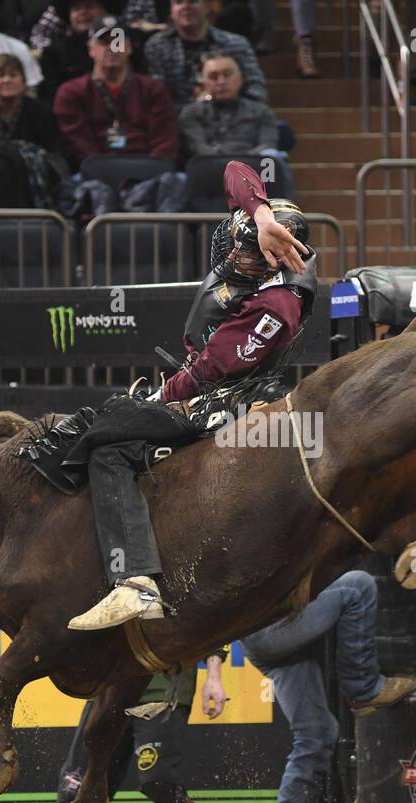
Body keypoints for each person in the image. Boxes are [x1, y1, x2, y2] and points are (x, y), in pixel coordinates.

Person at [67, 160, 312, 630]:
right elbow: (234, 170)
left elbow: (209, 371)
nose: (235, 254)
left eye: (247, 251)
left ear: (275, 260)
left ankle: (134, 579)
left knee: (107, 444)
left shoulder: (277, 306)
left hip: (220, 404)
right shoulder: (260, 260)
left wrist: (158, 400)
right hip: (202, 384)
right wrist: (261, 217)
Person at [240, 571, 416, 803]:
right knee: (358, 587)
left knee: (317, 733)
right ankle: (364, 689)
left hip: (259, 630)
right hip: (269, 624)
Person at [57, 653, 226, 803]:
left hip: (163, 688)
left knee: (160, 784)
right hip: (108, 687)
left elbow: (209, 622)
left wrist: (214, 676)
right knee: (76, 786)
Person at [53, 15, 177, 171]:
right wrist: (105, 172)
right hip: (94, 173)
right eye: (104, 43)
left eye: (118, 42)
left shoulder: (153, 89)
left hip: (147, 171)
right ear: (91, 49)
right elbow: (77, 145)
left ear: (129, 48)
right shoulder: (71, 92)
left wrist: (148, 172)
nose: (112, 48)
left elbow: (165, 141)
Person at [178, 51, 292, 195]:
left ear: (240, 78)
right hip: (210, 168)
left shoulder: (261, 111)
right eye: (214, 77)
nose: (221, 81)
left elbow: (268, 144)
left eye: (227, 75)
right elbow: (198, 148)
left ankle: (282, 212)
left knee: (273, 157)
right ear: (204, 82)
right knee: (178, 179)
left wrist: (242, 162)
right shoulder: (191, 113)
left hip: (253, 169)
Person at [145, 0, 267, 108]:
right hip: (176, 124)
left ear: (207, 6)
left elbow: (256, 91)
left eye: (193, 1)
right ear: (171, 9)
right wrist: (194, 111)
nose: (185, 7)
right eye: (179, 2)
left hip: (232, 123)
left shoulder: (236, 44)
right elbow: (156, 99)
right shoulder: (157, 46)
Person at [30, 0, 123, 96]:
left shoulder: (122, 44)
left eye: (89, 7)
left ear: (105, 12)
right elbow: (51, 94)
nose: (82, 13)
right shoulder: (54, 52)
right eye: (76, 9)